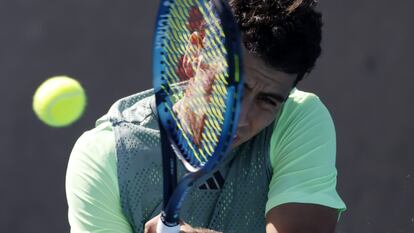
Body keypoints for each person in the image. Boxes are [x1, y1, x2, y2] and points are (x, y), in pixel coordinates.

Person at [65, 0, 346, 232]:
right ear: (194, 52)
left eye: (267, 101)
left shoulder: (299, 119)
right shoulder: (107, 157)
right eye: (229, 86)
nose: (240, 118)